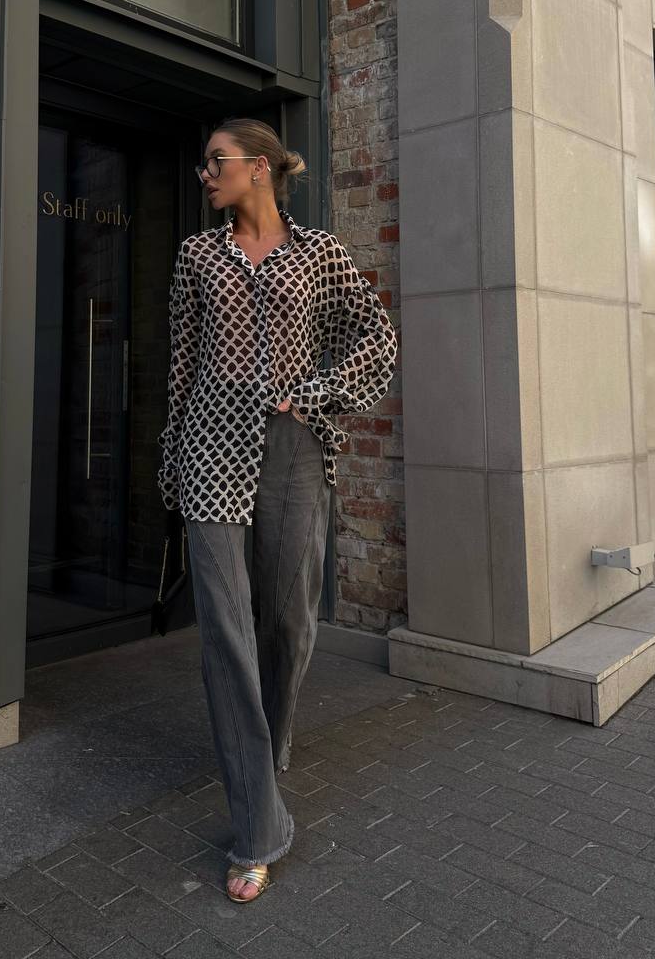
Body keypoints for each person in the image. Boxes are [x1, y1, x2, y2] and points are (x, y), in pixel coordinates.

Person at [156, 117, 398, 903]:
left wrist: (318, 394)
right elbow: (180, 368)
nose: (205, 175)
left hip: (292, 450)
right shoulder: (196, 256)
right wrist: (172, 464)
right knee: (225, 632)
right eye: (203, 166)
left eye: (215, 162)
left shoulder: (319, 253)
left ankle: (272, 735)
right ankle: (257, 827)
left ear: (258, 168)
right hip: (208, 450)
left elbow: (377, 338)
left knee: (289, 621)